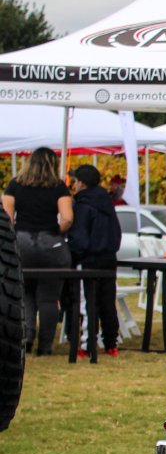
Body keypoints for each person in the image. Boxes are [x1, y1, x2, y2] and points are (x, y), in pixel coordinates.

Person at [2, 147, 74, 355]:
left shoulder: (15, 185)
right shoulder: (59, 187)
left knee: (24, 295)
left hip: (22, 243)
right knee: (49, 298)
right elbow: (68, 217)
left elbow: (6, 216)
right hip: (50, 244)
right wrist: (55, 232)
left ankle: (26, 339)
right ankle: (45, 346)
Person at [67, 164, 122, 358]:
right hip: (109, 258)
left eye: (75, 181)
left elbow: (79, 238)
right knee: (107, 302)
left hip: (89, 259)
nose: (73, 184)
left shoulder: (83, 205)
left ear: (81, 183)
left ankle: (87, 344)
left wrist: (73, 256)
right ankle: (111, 343)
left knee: (87, 303)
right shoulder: (107, 203)